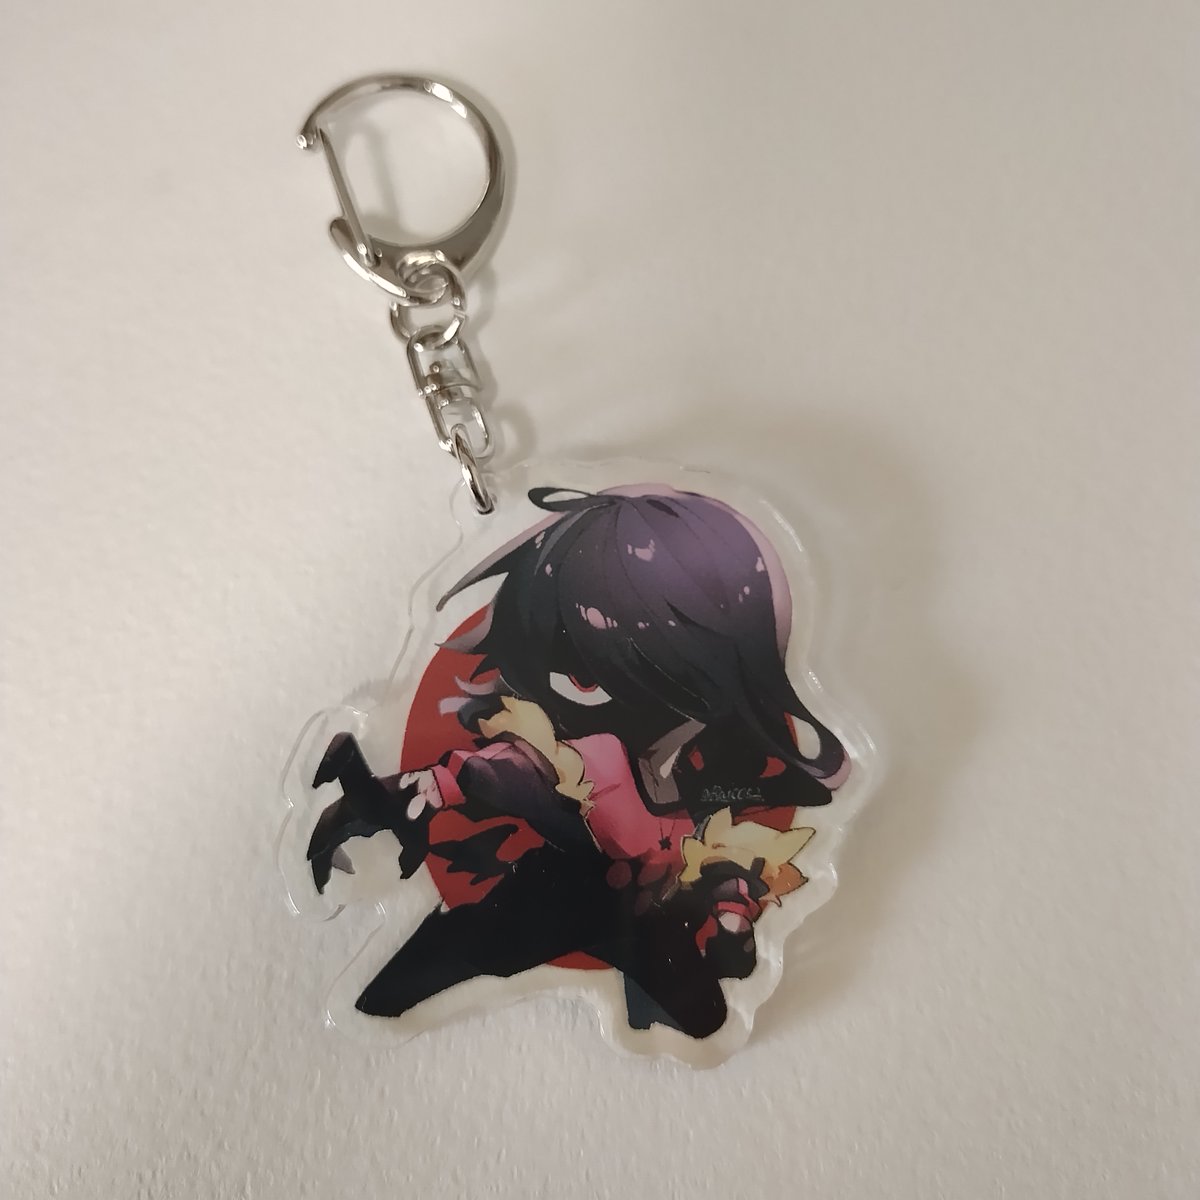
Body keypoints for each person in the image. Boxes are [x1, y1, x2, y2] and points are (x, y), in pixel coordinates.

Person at [306, 486, 849, 1038]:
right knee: (456, 955)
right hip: (558, 895)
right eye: (584, 671)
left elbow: (722, 854)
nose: (591, 684)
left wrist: (733, 915)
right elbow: (509, 769)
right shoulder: (589, 757)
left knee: (703, 1016)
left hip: (645, 920)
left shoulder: (711, 779)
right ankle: (383, 997)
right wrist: (418, 789)